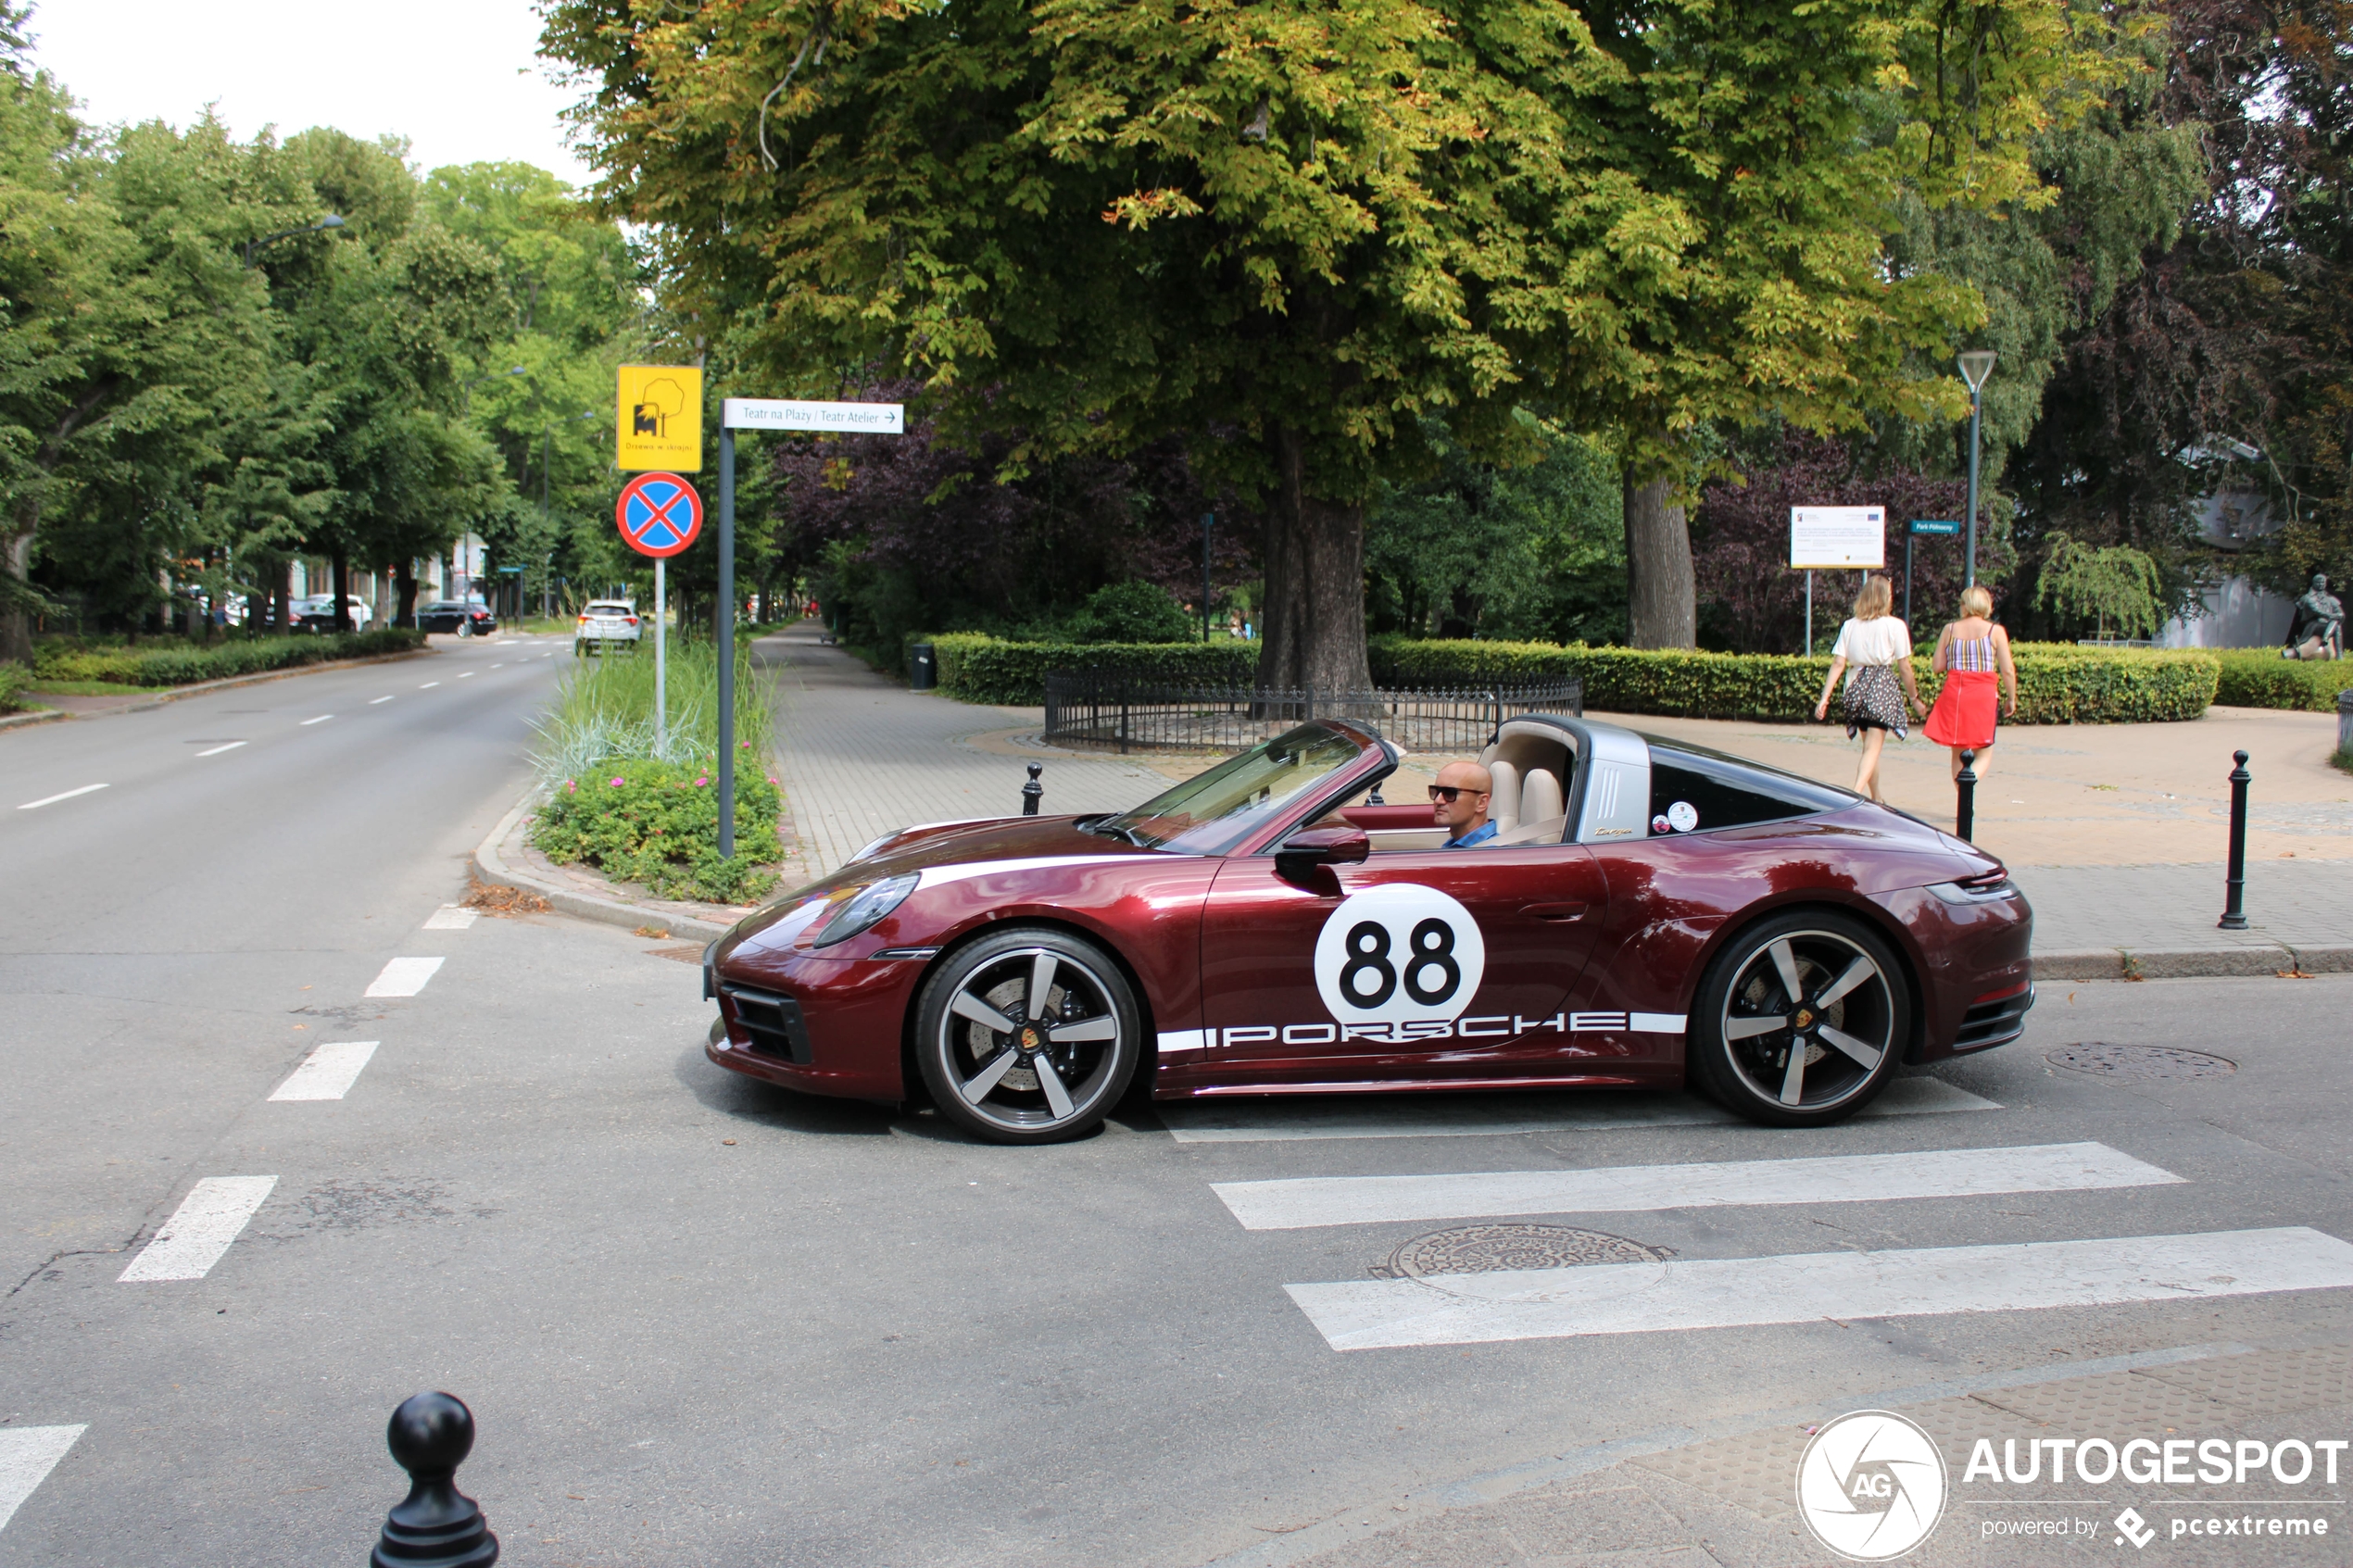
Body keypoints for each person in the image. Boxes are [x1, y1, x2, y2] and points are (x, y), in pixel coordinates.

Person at [1811, 574, 1924, 803]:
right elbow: (1904, 667)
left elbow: (1838, 663)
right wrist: (1914, 698)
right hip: (1880, 687)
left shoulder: (1850, 626)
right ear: (1886, 598)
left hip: (1854, 687)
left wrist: (1825, 698)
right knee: (1872, 749)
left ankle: (1877, 798)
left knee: (1869, 748)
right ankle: (1855, 794)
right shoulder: (1895, 626)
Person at [1922, 584, 2018, 780]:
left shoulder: (1950, 629)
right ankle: (1969, 782)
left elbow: (1937, 666)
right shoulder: (1995, 631)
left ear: (1965, 606)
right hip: (1983, 693)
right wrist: (2012, 697)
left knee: (1958, 749)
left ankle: (1962, 802)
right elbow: (2007, 670)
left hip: (1955, 692)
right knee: (1984, 749)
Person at [1430, 761, 1496, 847]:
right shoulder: (1454, 845)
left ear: (1481, 803)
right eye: (1436, 791)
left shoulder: (1492, 854)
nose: (1438, 800)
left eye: (1450, 793)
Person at [2283, 573, 2343, 660]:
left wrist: (2339, 616)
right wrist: (2333, 616)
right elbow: (2317, 611)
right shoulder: (2308, 598)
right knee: (2335, 623)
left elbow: (2340, 613)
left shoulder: (2330, 599)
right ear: (2313, 583)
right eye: (2318, 582)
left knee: (2336, 624)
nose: (2320, 585)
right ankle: (2338, 654)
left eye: (2323, 582)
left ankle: (2326, 639)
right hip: (2314, 625)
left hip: (2327, 624)